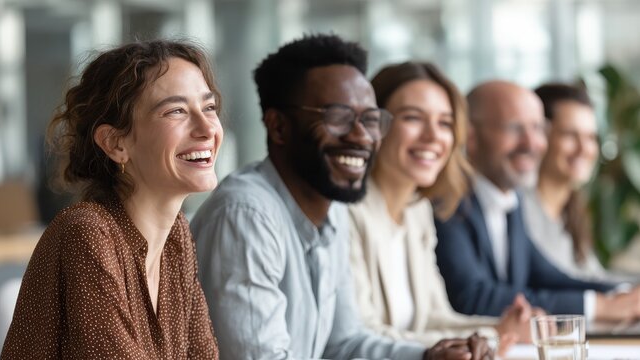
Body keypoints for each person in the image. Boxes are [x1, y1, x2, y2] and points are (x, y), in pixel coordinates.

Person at [191, 34, 493, 360]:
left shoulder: (332, 210)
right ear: (278, 127)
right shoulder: (247, 215)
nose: (361, 136)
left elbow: (344, 344)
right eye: (338, 116)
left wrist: (430, 356)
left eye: (369, 119)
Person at [1, 40, 222, 359]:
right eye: (176, 111)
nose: (207, 129)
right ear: (115, 143)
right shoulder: (87, 234)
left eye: (209, 107)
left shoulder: (177, 236)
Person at [348, 62, 533, 353]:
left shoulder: (417, 210)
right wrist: (484, 341)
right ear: (375, 126)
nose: (434, 136)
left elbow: (435, 317)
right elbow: (361, 333)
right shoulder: (348, 213)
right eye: (413, 118)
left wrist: (498, 329)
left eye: (445, 123)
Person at [434, 80, 640, 322]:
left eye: (538, 129)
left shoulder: (512, 199)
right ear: (470, 136)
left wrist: (621, 293)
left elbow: (548, 277)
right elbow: (472, 297)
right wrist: (599, 307)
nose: (531, 143)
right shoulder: (445, 201)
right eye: (514, 128)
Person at [521, 83, 608, 281]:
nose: (584, 149)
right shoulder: (519, 209)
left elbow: (595, 278)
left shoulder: (572, 210)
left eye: (591, 137)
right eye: (570, 135)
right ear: (539, 136)